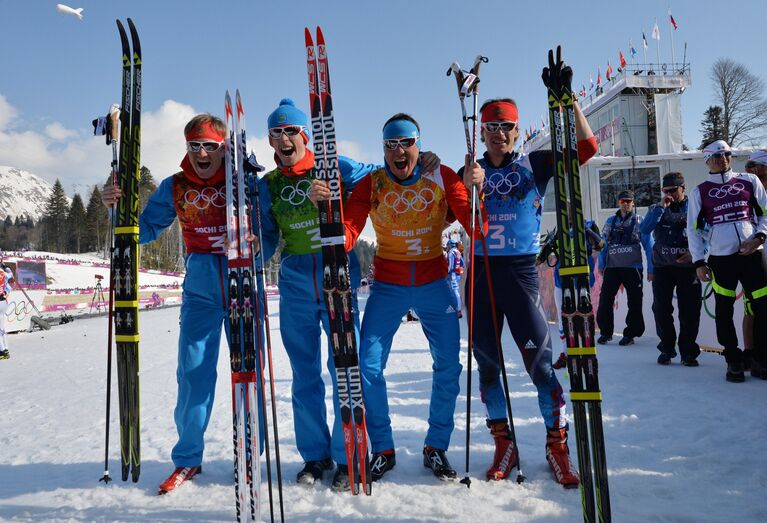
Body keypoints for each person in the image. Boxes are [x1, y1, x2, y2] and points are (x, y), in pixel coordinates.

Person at [311, 113, 485, 486]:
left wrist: (475, 191)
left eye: (405, 142)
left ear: (418, 145)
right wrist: (328, 219)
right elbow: (350, 229)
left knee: (449, 367)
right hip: (388, 285)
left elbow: (478, 228)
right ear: (383, 149)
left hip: (434, 281)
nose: (398, 151)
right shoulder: (372, 183)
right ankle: (384, 449)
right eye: (390, 144)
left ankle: (436, 446)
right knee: (367, 366)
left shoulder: (441, 175)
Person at [463, 53, 598, 488]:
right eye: (491, 127)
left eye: (506, 126)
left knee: (539, 363)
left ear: (517, 130)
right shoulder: (473, 170)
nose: (499, 134)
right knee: (487, 363)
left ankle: (556, 442)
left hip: (520, 272)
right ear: (481, 131)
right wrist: (459, 181)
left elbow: (587, 149)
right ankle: (503, 440)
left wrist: (568, 99)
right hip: (481, 274)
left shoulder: (534, 163)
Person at [103, 114, 243, 492]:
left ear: (223, 147)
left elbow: (270, 226)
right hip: (200, 288)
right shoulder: (175, 186)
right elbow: (144, 230)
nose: (201, 153)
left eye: (210, 146)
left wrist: (262, 243)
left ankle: (249, 454)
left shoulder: (241, 180)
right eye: (194, 145)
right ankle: (188, 459)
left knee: (247, 375)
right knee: (193, 375)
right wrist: (117, 208)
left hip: (241, 282)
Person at [688, 140, 767, 382]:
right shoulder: (699, 191)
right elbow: (692, 230)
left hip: (751, 254)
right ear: (707, 161)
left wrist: (759, 237)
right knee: (724, 311)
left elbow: (765, 213)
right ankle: (733, 360)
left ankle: (760, 360)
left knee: (763, 307)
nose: (723, 158)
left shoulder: (749, 181)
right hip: (721, 259)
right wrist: (699, 262)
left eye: (727, 154)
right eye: (717, 155)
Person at [639, 172, 702, 366]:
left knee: (690, 310)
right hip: (663, 267)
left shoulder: (695, 206)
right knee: (661, 309)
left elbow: (706, 232)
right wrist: (660, 208)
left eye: (673, 190)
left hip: (687, 267)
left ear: (683, 188)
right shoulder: (656, 208)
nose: (670, 194)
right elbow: (644, 229)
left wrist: (697, 254)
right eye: (666, 190)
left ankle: (688, 351)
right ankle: (667, 347)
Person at [596, 190, 654, 346]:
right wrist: (601, 264)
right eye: (623, 201)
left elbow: (649, 246)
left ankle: (630, 333)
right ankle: (606, 332)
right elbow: (603, 244)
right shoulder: (610, 221)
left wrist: (651, 268)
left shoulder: (639, 221)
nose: (626, 204)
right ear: (618, 203)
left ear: (633, 203)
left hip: (633, 267)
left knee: (634, 301)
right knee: (605, 300)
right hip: (612, 267)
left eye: (629, 201)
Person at [741, 149, 767, 372]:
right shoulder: (746, 193)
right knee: (752, 310)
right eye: (748, 166)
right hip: (755, 260)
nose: (749, 170)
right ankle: (751, 355)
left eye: (753, 166)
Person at [445, 239, 465, 318]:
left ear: (450, 245)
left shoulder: (451, 253)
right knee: (455, 292)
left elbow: (450, 266)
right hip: (457, 275)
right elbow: (462, 264)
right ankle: (456, 309)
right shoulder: (458, 251)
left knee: (454, 293)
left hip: (452, 275)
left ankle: (458, 310)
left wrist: (446, 273)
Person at [0, 262, 15, 360]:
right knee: (2, 328)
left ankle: (2, 351)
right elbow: (11, 282)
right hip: (3, 302)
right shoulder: (4, 273)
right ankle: (6, 350)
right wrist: (7, 268)